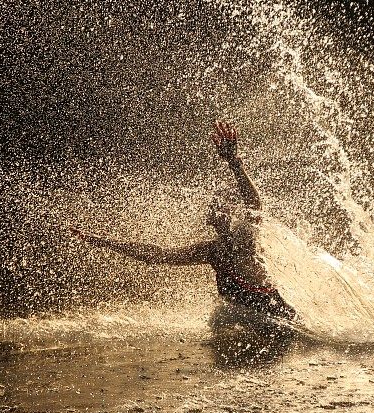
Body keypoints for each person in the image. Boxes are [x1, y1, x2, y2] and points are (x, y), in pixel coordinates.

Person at [70, 121, 296, 320]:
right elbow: (157, 255)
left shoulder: (245, 240)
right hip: (255, 325)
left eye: (219, 206)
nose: (212, 211)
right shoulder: (212, 251)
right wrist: (102, 242)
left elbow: (255, 205)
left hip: (280, 318)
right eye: (213, 207)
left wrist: (235, 164)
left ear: (231, 214)